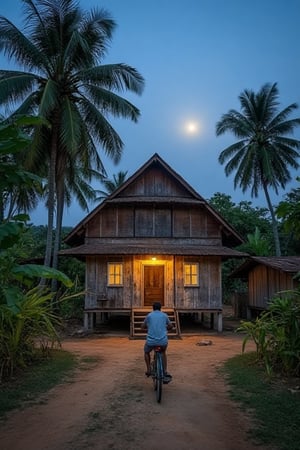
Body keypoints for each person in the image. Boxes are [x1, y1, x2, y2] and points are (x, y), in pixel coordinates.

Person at [141, 302, 173, 381]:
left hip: (151, 341)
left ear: (153, 308)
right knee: (163, 353)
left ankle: (148, 370)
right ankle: (165, 371)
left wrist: (146, 328)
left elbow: (142, 326)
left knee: (146, 352)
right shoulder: (164, 315)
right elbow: (171, 326)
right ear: (160, 308)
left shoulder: (149, 315)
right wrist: (167, 329)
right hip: (163, 341)